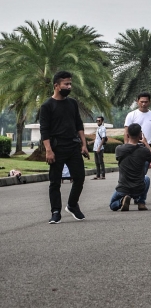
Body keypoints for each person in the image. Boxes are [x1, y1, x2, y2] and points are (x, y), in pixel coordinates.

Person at [39, 70, 90, 224]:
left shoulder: (72, 103)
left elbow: (78, 124)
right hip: (56, 148)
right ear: (56, 86)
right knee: (55, 182)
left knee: (80, 177)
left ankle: (72, 205)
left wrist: (84, 144)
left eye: (70, 84)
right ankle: (55, 212)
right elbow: (44, 130)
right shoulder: (47, 106)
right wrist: (48, 150)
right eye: (66, 84)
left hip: (73, 146)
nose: (69, 86)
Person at [110, 123, 151, 211]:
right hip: (138, 188)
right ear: (140, 135)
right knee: (147, 179)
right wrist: (146, 143)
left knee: (112, 204)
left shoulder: (119, 149)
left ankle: (122, 200)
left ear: (127, 135)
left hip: (123, 188)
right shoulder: (143, 150)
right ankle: (141, 201)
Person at [124, 93, 151, 164]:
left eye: (146, 102)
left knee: (145, 167)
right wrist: (126, 146)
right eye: (142, 102)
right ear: (137, 101)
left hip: (147, 145)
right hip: (133, 144)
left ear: (149, 102)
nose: (143, 104)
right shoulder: (131, 115)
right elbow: (126, 131)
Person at [92, 116, 107, 181]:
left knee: (101, 161)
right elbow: (97, 138)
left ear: (102, 121)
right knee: (96, 162)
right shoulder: (98, 128)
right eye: (97, 121)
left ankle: (103, 175)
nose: (98, 122)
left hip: (99, 148)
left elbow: (103, 138)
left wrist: (99, 148)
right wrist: (91, 142)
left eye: (99, 121)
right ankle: (98, 175)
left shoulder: (103, 128)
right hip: (95, 147)